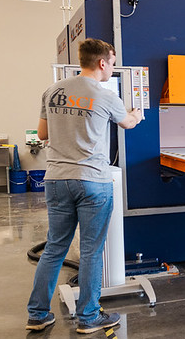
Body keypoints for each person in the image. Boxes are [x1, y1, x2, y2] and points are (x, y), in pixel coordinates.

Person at [26, 38, 142, 333]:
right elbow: (127, 123)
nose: (112, 68)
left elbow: (42, 134)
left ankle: (38, 315)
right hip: (93, 182)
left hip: (56, 179)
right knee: (91, 251)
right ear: (102, 62)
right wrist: (137, 114)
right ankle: (88, 318)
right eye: (112, 63)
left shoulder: (52, 91)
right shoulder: (106, 96)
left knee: (55, 248)